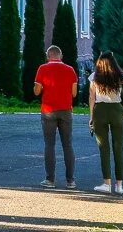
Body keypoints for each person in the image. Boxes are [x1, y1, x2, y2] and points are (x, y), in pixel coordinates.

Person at [88, 50, 123, 195]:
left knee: (103, 148)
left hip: (100, 111)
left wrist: (91, 116)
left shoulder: (94, 76)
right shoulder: (120, 75)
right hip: (117, 110)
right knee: (119, 148)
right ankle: (119, 186)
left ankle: (106, 184)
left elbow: (91, 97)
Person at [34, 45, 78, 189]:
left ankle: (50, 180)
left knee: (49, 145)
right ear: (61, 56)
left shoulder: (42, 69)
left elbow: (37, 91)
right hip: (66, 110)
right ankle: (70, 180)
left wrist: (39, 86)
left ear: (48, 56)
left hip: (48, 111)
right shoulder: (70, 70)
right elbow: (74, 93)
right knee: (67, 145)